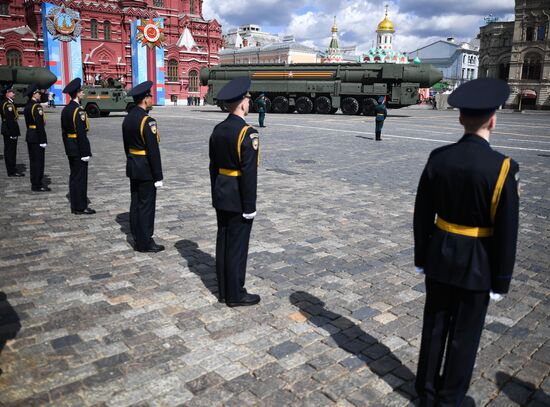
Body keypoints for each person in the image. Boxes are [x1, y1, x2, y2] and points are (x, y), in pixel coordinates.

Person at [413, 78, 519, 407]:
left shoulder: (438, 157)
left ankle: (426, 392)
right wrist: (501, 279)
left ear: (460, 118)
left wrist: (422, 256)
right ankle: (450, 398)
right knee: (465, 334)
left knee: (434, 326)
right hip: (479, 260)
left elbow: (421, 215)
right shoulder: (503, 168)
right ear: (493, 120)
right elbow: (507, 231)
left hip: (440, 253)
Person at [209, 77, 261, 307]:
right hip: (239, 197)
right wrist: (250, 206)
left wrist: (215, 193)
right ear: (241, 103)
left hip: (222, 193)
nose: (249, 103)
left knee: (223, 243)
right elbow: (249, 174)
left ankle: (223, 290)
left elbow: (213, 167)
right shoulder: (247, 133)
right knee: (237, 248)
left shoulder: (218, 129)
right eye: (248, 99)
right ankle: (236, 294)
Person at [122, 80, 164, 253]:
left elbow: (126, 146)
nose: (152, 99)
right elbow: (153, 151)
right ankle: (145, 241)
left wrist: (132, 160)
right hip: (146, 168)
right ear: (145, 99)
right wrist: (158, 175)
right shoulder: (147, 121)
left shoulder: (128, 118)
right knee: (146, 205)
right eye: (150, 96)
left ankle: (137, 235)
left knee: (135, 202)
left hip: (133, 164)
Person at [61, 78, 95, 215]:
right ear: (77, 93)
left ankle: (75, 205)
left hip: (71, 146)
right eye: (81, 91)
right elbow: (81, 133)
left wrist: (68, 147)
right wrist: (86, 152)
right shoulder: (79, 111)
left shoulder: (66, 110)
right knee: (80, 178)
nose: (83, 93)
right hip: (79, 147)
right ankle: (80, 206)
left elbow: (64, 132)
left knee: (74, 176)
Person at [24, 84, 50, 192]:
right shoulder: (37, 107)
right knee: (39, 161)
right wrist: (43, 140)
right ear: (34, 94)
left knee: (33, 161)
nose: (40, 95)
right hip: (37, 136)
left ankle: (34, 182)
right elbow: (39, 125)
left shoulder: (28, 106)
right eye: (38, 93)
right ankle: (37, 184)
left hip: (30, 134)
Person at [1, 84, 24, 177]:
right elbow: (10, 119)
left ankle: (11, 169)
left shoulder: (8, 103)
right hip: (10, 130)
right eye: (11, 92)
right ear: (7, 93)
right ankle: (12, 171)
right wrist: (12, 133)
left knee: (9, 150)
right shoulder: (8, 104)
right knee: (11, 151)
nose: (14, 94)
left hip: (7, 129)